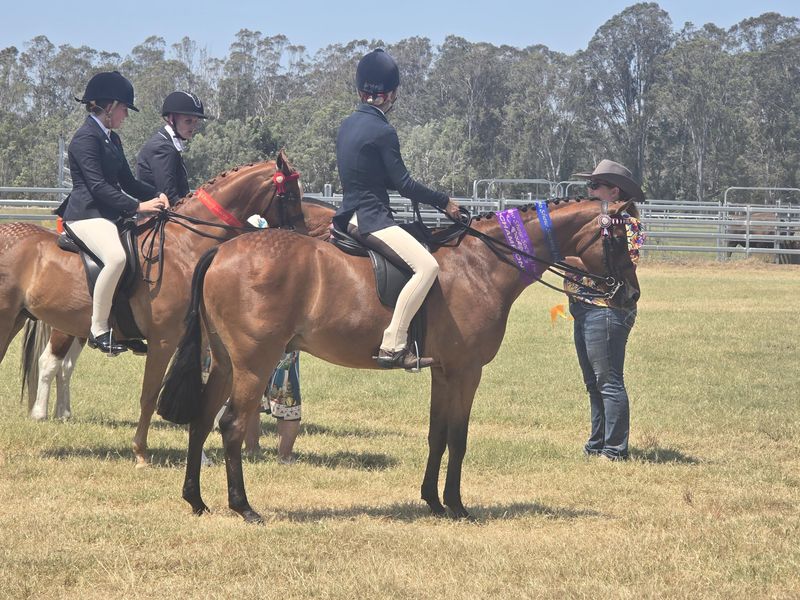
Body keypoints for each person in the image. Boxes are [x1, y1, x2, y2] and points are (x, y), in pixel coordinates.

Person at [333, 48, 461, 370]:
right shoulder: (383, 130)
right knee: (427, 267)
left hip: (347, 216)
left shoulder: (347, 125)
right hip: (371, 219)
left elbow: (374, 177)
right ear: (391, 94)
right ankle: (393, 343)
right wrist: (443, 201)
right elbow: (403, 184)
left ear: (360, 90)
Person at [60, 71, 168, 354]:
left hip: (109, 214)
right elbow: (97, 186)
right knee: (117, 258)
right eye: (124, 109)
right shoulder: (85, 139)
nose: (126, 115)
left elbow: (128, 182)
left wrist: (156, 195)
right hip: (86, 214)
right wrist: (137, 207)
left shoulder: (112, 139)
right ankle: (98, 329)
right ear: (109, 107)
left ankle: (123, 326)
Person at [567, 159, 645, 461]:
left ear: (614, 192)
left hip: (607, 309)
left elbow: (617, 266)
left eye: (595, 185)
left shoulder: (628, 226)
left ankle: (614, 450)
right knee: (594, 383)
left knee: (609, 381)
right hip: (584, 306)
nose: (590, 190)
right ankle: (597, 443)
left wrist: (566, 258)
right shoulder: (591, 224)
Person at [136, 91, 208, 206]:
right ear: (171, 118)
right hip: (158, 214)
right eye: (188, 121)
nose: (193, 127)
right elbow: (169, 195)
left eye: (195, 122)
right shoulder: (163, 147)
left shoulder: (169, 144)